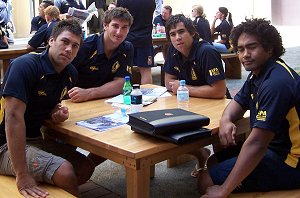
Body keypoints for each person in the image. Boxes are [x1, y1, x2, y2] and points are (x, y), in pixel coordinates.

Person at [198, 18, 300, 197]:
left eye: (251, 47)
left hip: (290, 160)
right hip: (273, 148)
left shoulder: (277, 82)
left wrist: (223, 190)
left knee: (205, 180)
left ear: (269, 48)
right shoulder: (257, 75)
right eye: (240, 49)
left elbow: (258, 143)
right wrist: (225, 119)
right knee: (214, 161)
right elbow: (237, 103)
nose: (244, 54)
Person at [0, 19, 95, 197]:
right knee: (65, 172)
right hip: (3, 145)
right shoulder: (25, 65)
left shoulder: (70, 74)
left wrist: (55, 112)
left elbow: (45, 103)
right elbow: (12, 118)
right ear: (51, 41)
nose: (69, 49)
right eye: (65, 42)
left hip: (34, 140)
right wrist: (22, 175)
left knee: (85, 168)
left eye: (75, 46)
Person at [68, 7, 133, 102]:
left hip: (107, 101)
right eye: (115, 26)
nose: (119, 32)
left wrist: (90, 93)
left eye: (124, 27)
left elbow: (122, 83)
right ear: (105, 26)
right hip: (77, 101)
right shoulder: (86, 46)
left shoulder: (127, 48)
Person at [164, 14, 227, 99]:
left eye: (181, 32)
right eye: (173, 34)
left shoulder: (207, 52)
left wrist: (185, 89)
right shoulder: (173, 49)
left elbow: (219, 91)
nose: (177, 38)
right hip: (191, 100)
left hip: (214, 103)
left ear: (192, 32)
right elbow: (168, 82)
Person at [117, 0, 155, 84]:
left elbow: (118, 15)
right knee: (146, 71)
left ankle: (124, 95)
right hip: (144, 40)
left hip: (127, 39)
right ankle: (147, 96)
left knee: (122, 71)